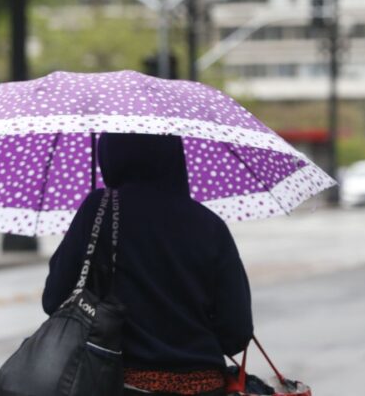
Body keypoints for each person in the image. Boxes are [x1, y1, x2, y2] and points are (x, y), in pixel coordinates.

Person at [42, 133, 253, 396]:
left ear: (111, 155)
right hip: (203, 385)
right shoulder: (210, 225)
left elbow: (53, 300)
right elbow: (237, 332)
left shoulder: (100, 209)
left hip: (119, 384)